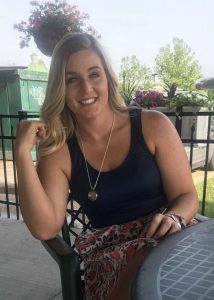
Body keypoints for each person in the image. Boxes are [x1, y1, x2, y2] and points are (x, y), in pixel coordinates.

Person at [15, 32, 199, 300]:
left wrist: (174, 217)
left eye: (94, 75)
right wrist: (21, 154)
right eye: (72, 80)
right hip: (112, 255)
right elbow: (45, 228)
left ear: (107, 78)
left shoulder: (153, 125)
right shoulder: (60, 150)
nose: (86, 89)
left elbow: (187, 195)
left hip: (168, 235)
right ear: (59, 88)